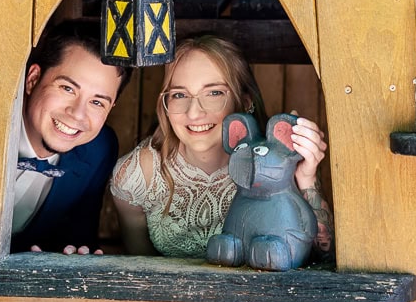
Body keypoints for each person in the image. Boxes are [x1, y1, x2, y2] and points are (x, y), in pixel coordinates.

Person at [110, 35, 333, 261]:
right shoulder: (138, 176)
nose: (194, 113)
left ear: (245, 101)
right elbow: (139, 267)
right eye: (179, 94)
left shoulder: (276, 162)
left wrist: (306, 177)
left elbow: (323, 256)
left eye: (214, 93)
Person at [11, 23, 131, 254]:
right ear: (33, 79)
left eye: (97, 102)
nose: (77, 114)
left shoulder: (98, 150)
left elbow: (78, 238)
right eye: (67, 88)